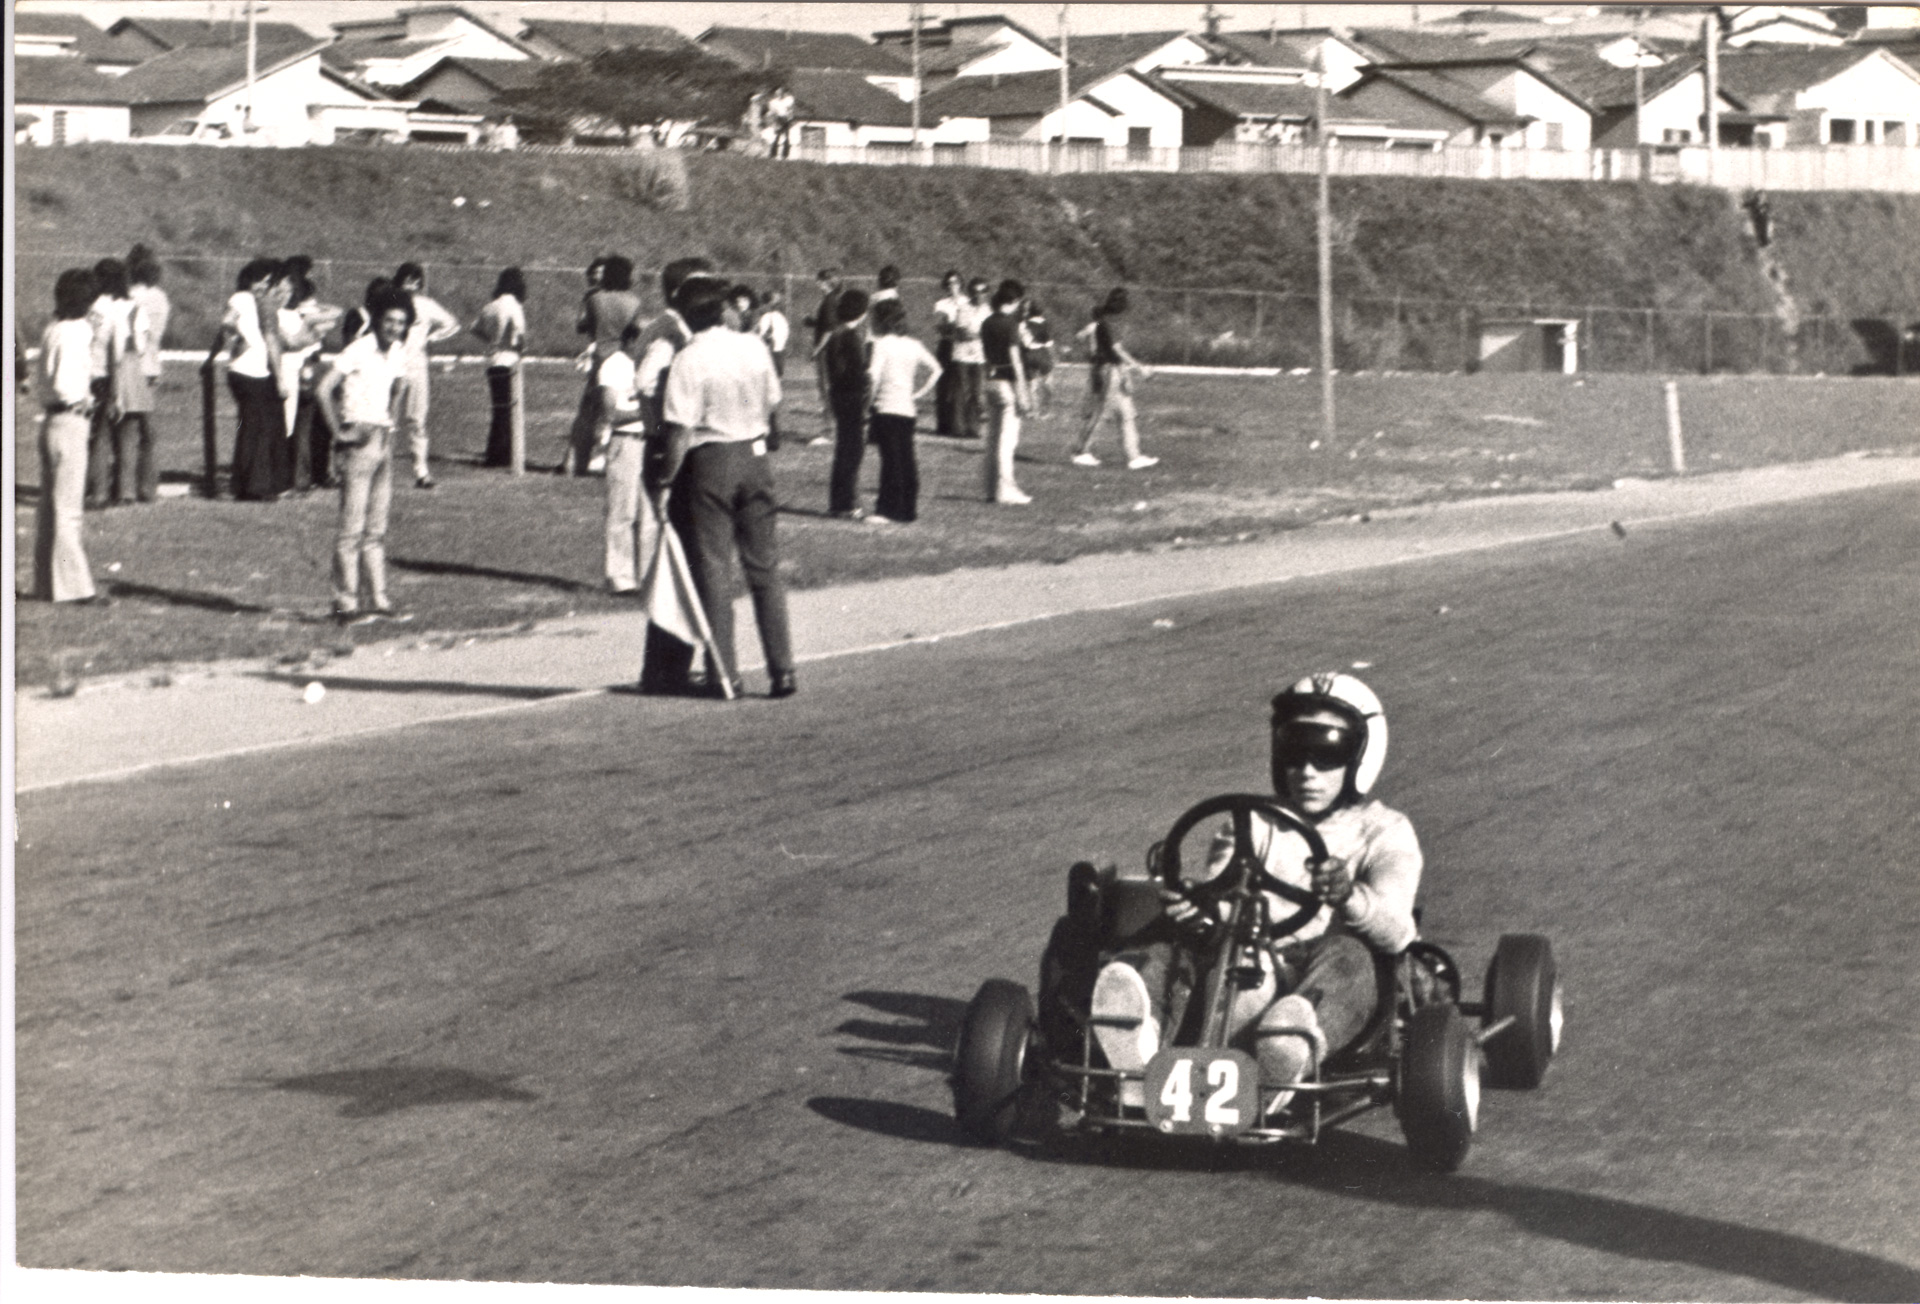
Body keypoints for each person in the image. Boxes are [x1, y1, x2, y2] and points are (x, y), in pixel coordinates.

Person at [1090, 672, 1421, 1113]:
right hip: (1238, 957)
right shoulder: (1251, 821)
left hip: (1319, 973)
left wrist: (1347, 895)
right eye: (1294, 752)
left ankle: (1289, 1046)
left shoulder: (1385, 832)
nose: (1307, 771)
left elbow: (1399, 933)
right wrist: (1199, 909)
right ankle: (1139, 1050)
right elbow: (1221, 893)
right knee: (1163, 947)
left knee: (1350, 955)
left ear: (1360, 756)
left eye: (1326, 755)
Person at [645, 278, 796, 700]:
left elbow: (679, 431)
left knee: (714, 568)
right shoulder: (753, 346)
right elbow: (772, 400)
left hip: (711, 457)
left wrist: (665, 478)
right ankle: (782, 669)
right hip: (754, 453)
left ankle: (724, 672)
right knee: (764, 566)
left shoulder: (690, 358)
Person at [312, 286, 414, 624]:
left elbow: (400, 386)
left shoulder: (398, 351)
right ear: (378, 320)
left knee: (376, 530)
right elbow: (324, 389)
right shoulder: (360, 349)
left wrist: (391, 422)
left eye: (401, 322)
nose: (394, 328)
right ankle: (345, 604)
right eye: (389, 321)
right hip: (357, 444)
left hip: (383, 443)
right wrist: (340, 432)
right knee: (351, 530)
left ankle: (379, 600)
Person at [34, 268, 105, 603]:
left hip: (50, 423)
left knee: (50, 510)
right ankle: (76, 588)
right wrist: (83, 398)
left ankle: (48, 585)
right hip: (70, 420)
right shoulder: (76, 332)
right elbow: (65, 383)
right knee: (68, 510)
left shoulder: (53, 328)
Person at [864, 298, 941, 524]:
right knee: (906, 459)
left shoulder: (881, 344)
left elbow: (874, 376)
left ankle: (886, 510)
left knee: (890, 461)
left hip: (886, 408)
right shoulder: (913, 344)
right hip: (907, 410)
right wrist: (918, 394)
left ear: (881, 320)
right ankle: (908, 510)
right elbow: (936, 369)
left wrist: (868, 405)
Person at [219, 257, 289, 501]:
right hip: (247, 371)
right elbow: (227, 321)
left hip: (252, 370)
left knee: (251, 429)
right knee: (255, 430)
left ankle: (246, 484)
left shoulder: (253, 301)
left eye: (267, 282)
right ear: (249, 280)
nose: (263, 286)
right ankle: (254, 487)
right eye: (259, 280)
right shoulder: (242, 298)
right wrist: (241, 338)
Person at [569, 254, 644, 475]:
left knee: (588, 412)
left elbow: (583, 326)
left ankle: (576, 462)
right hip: (621, 357)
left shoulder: (595, 299)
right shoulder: (634, 302)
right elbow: (634, 333)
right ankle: (606, 458)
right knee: (615, 411)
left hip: (599, 355)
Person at [392, 261, 462, 489]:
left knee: (417, 421)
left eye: (416, 279)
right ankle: (380, 468)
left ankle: (421, 473)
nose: (411, 283)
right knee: (386, 418)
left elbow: (452, 324)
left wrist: (431, 339)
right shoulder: (391, 302)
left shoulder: (426, 304)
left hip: (417, 367)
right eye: (407, 278)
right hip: (392, 366)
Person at [277, 256, 344, 493]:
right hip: (303, 370)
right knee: (301, 428)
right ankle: (301, 477)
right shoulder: (303, 315)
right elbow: (333, 316)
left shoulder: (297, 315)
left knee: (298, 428)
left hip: (299, 369)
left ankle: (299, 477)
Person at [83, 258, 147, 508]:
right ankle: (126, 491)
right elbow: (137, 347)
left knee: (100, 436)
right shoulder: (131, 308)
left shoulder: (90, 308)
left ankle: (97, 490)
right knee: (128, 434)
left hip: (94, 372)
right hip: (124, 369)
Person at [1072, 287, 1158, 470]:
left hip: (1113, 370)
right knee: (1101, 413)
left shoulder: (1108, 321)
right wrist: (1139, 368)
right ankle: (1081, 452)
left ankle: (1134, 457)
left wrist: (1125, 374)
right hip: (1108, 370)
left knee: (1127, 414)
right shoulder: (1109, 322)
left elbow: (1115, 352)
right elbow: (1116, 350)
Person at [121, 245, 172, 503]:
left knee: (127, 430)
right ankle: (147, 487)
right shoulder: (160, 298)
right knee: (148, 432)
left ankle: (125, 488)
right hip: (150, 365)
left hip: (126, 365)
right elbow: (157, 335)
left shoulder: (126, 296)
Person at [979, 279, 1032, 505]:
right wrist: (1023, 391)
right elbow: (1015, 361)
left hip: (990, 381)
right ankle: (1006, 489)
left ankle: (991, 489)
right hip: (1007, 383)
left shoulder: (987, 322)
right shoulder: (1011, 324)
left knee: (992, 440)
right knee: (1006, 442)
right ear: (1015, 301)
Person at [823, 288, 873, 518]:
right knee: (853, 452)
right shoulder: (852, 336)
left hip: (837, 394)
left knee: (844, 450)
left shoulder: (835, 333)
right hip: (852, 397)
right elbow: (860, 371)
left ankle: (838, 502)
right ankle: (849, 504)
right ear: (861, 312)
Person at [472, 267, 528, 468]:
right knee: (509, 412)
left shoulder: (491, 306)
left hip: (492, 358)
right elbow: (519, 333)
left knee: (498, 410)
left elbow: (475, 328)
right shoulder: (514, 305)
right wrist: (520, 346)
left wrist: (491, 340)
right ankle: (504, 455)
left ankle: (495, 453)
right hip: (509, 359)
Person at [949, 277, 990, 441]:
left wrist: (977, 334)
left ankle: (973, 428)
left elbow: (990, 334)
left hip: (980, 357)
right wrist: (981, 334)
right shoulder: (963, 308)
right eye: (975, 292)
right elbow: (962, 333)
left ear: (987, 293)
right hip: (962, 355)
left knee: (977, 392)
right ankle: (958, 427)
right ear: (970, 293)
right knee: (961, 392)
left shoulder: (989, 311)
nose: (978, 295)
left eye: (982, 292)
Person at [807, 268, 846, 443]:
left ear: (828, 282)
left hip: (827, 351)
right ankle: (833, 430)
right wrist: (813, 322)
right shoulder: (832, 300)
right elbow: (828, 323)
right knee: (829, 389)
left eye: (820, 280)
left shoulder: (829, 301)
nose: (817, 284)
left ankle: (828, 432)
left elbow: (829, 330)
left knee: (826, 389)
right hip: (834, 350)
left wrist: (816, 349)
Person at [752, 289, 791, 449]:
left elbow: (766, 337)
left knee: (761, 397)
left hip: (770, 356)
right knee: (772, 397)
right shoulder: (781, 318)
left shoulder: (768, 317)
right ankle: (772, 438)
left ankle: (767, 438)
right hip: (779, 357)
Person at [932, 270, 965, 435]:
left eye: (956, 282)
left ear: (961, 284)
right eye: (950, 283)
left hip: (962, 346)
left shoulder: (967, 302)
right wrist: (953, 327)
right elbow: (939, 327)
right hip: (946, 345)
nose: (953, 286)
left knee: (959, 385)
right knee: (943, 386)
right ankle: (942, 425)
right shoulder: (941, 304)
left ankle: (957, 425)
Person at [1021, 299, 1057, 419]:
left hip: (1028, 354)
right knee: (1048, 383)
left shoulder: (1024, 323)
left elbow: (1023, 341)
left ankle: (1033, 411)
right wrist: (1054, 358)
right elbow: (1049, 343)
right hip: (1042, 354)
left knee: (1032, 385)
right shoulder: (1045, 323)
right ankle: (1047, 411)